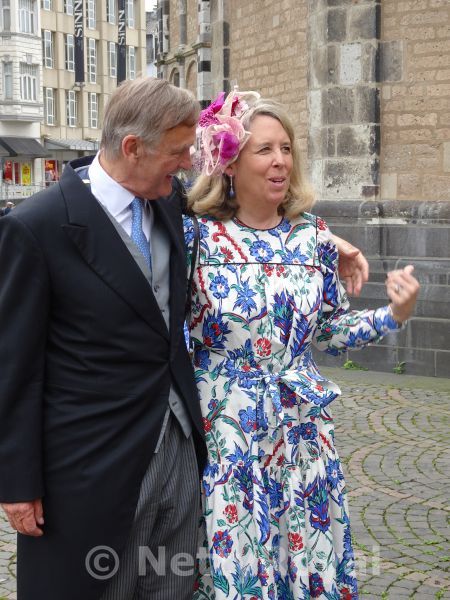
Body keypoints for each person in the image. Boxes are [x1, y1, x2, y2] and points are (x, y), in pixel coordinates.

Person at [183, 90, 420, 599]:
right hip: (231, 434)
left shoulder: (313, 238)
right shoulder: (196, 238)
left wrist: (394, 314)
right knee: (241, 566)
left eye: (287, 149)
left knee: (308, 559)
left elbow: (332, 333)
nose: (280, 161)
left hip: (303, 433)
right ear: (230, 162)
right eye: (264, 149)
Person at [0, 77, 207, 600]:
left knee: (173, 586)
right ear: (133, 147)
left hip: (178, 449)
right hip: (89, 466)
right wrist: (16, 483)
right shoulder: (37, 226)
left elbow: (244, 215)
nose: (187, 164)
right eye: (179, 152)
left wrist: (327, 241)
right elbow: (14, 367)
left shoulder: (169, 202)